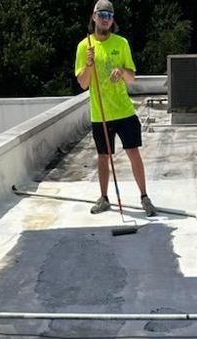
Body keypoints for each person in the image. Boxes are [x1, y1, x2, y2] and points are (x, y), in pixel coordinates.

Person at [75, 0, 156, 217]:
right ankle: (104, 198)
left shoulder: (121, 43)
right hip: (100, 113)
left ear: (113, 20)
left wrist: (121, 71)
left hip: (124, 111)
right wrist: (89, 65)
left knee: (133, 153)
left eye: (109, 15)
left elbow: (132, 78)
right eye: (101, 14)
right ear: (94, 17)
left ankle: (144, 197)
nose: (105, 18)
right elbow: (83, 83)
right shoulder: (85, 47)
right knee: (103, 156)